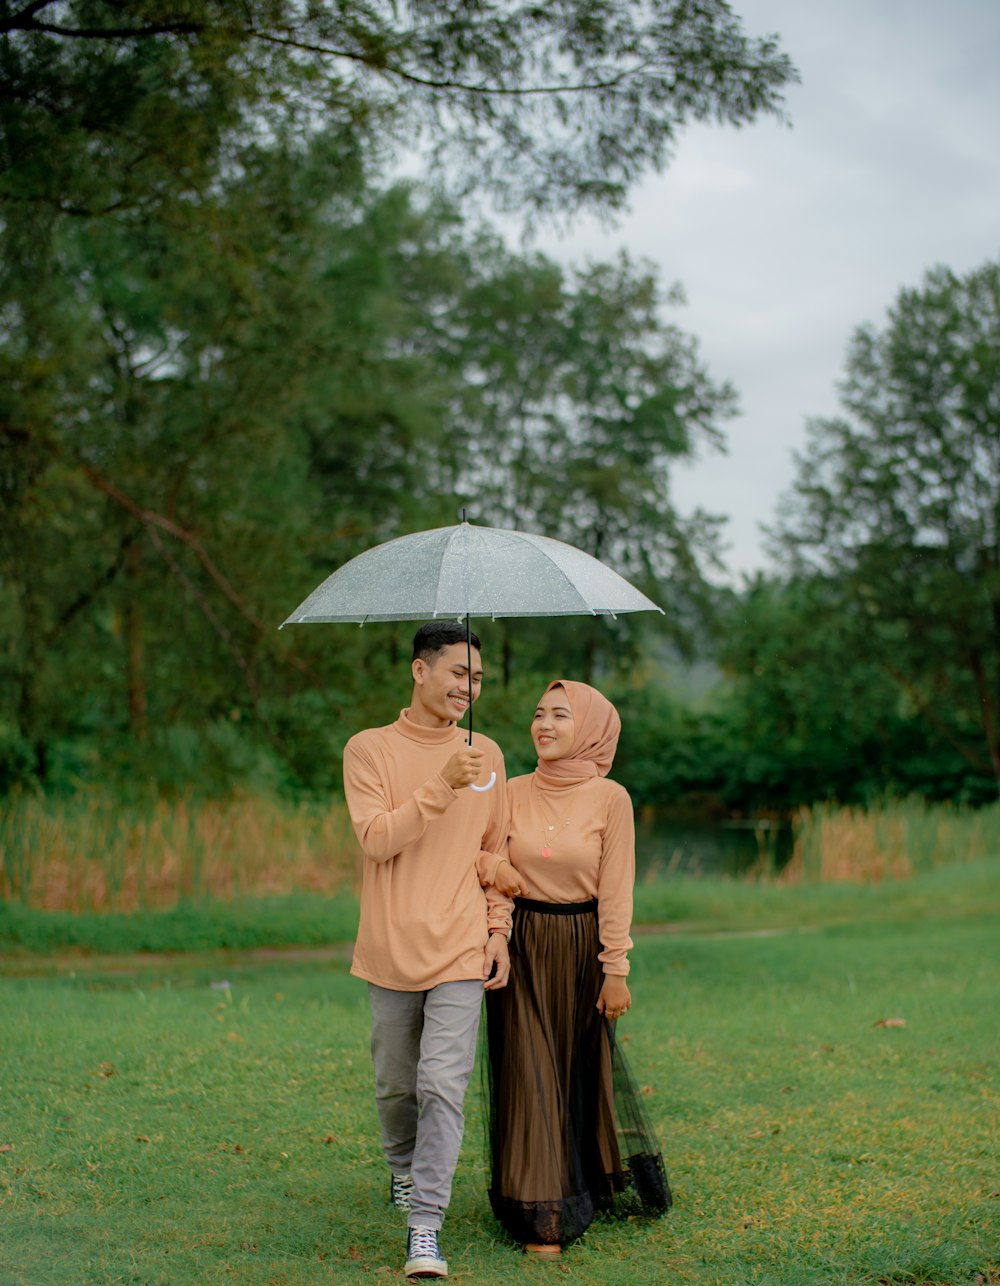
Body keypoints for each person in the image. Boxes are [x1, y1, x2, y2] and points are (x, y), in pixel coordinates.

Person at [342, 621, 513, 1280]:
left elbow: (495, 854)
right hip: (390, 946)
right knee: (396, 1083)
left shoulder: (488, 755)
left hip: (461, 948)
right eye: (458, 674)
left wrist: (498, 930)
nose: (468, 688)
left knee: (442, 1083)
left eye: (477, 679)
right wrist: (442, 783)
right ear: (420, 671)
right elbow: (378, 839)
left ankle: (426, 1227)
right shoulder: (369, 749)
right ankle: (402, 1168)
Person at [484, 679, 671, 1255]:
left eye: (560, 716)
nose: (544, 725)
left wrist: (617, 968)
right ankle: (545, 1214)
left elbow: (616, 891)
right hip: (521, 947)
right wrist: (493, 867)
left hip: (583, 945)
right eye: (539, 714)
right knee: (530, 1072)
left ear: (588, 728)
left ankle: (584, 1179)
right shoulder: (509, 790)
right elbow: (473, 847)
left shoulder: (612, 798)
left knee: (576, 1070)